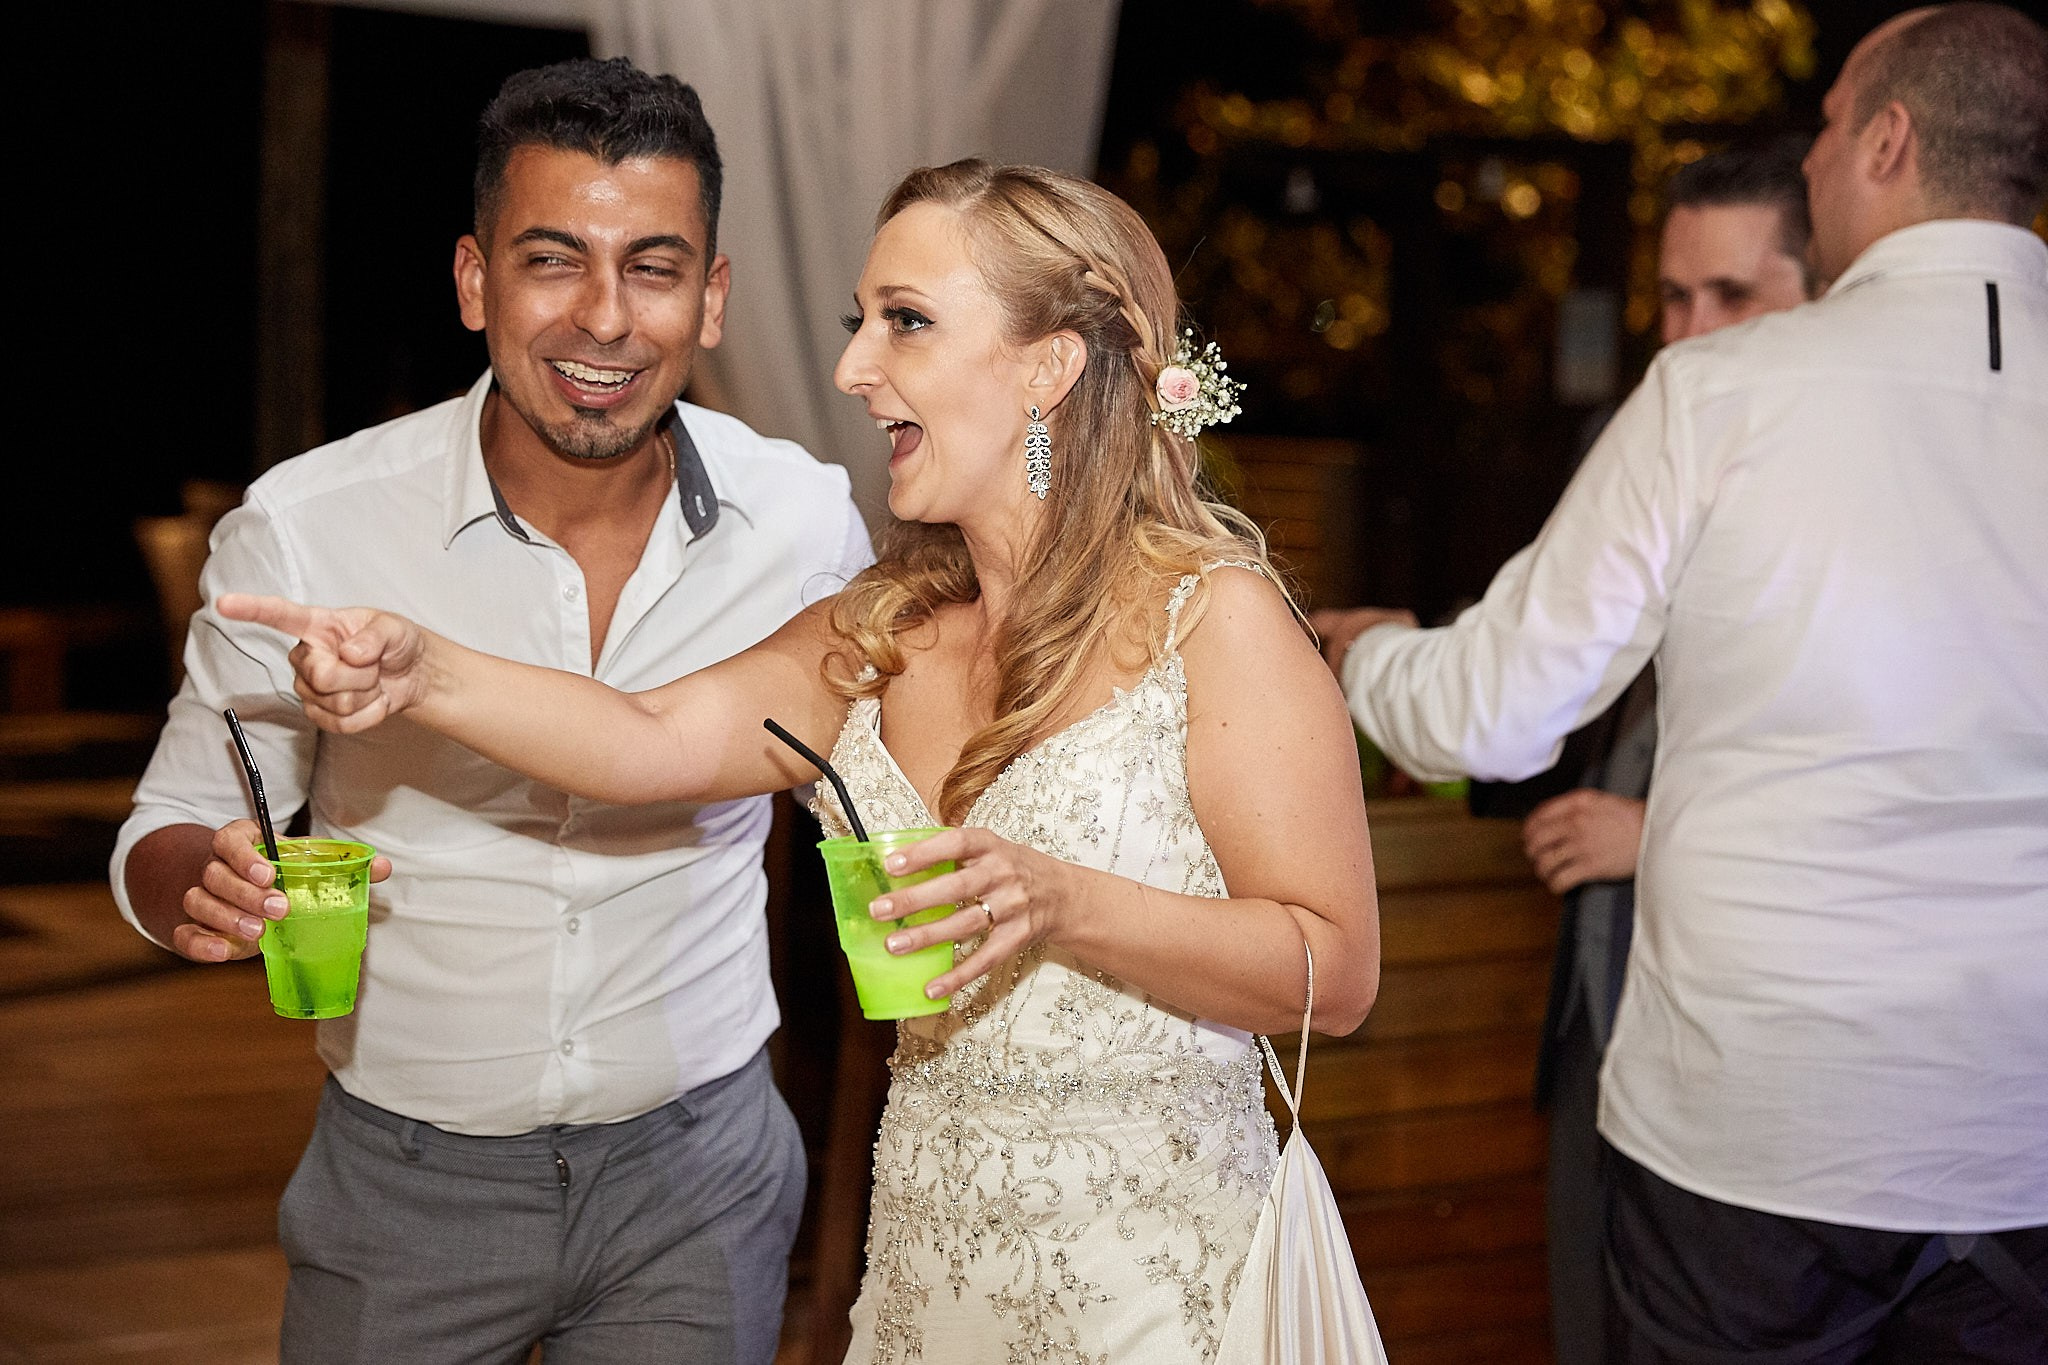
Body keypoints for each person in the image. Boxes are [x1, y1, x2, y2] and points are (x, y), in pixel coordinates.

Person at [221, 158, 1383, 1364]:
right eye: (860, 321)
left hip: (1152, 1279)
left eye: (907, 322)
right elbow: (645, 738)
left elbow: (1334, 974)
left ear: (1049, 364)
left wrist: (1064, 901)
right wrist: (425, 671)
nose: (851, 367)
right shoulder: (877, 630)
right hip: (930, 1270)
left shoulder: (1216, 621)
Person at [1318, 4, 2048, 1361]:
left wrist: (1360, 654)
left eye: (1827, 124)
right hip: (2023, 1139)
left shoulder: (1725, 394)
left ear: (1886, 141)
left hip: (1758, 1134)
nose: (1817, 157)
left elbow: (1495, 710)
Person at [111, 58, 869, 1363]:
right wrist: (203, 883)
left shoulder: (802, 521)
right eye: (552, 260)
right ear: (475, 281)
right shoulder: (310, 524)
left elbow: (882, 782)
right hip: (406, 1189)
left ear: (714, 296)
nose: (605, 318)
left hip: (701, 1177)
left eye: (654, 266)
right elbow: (172, 819)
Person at [1326, 137, 1818, 1365]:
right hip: (1603, 1002)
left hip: (1777, 1097)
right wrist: (1412, 683)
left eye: (1733, 296)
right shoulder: (1654, 433)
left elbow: (1897, 796)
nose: (1690, 331)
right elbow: (1541, 690)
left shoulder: (1850, 487)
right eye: (1673, 296)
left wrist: (1648, 837)